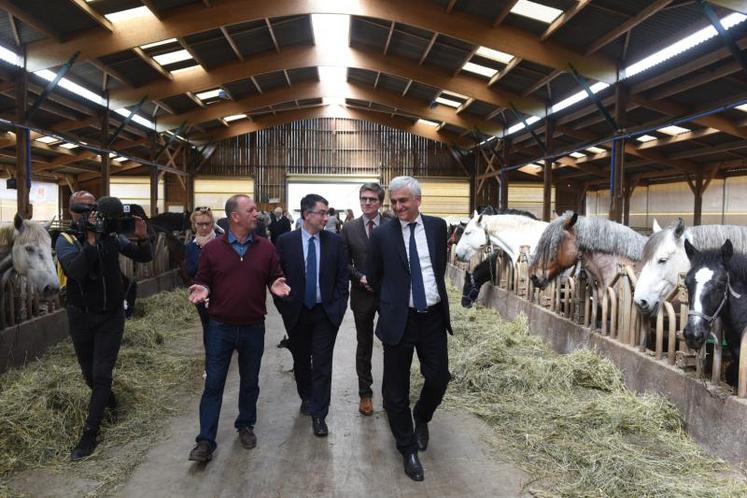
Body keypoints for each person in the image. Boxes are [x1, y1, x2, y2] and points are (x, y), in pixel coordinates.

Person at [187, 195, 290, 463]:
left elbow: (274, 275)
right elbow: (204, 279)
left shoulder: (266, 248)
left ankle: (245, 424)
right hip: (220, 327)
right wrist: (203, 288)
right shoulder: (213, 249)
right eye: (251, 210)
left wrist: (276, 284)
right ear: (235, 217)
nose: (257, 214)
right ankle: (206, 441)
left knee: (250, 381)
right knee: (214, 383)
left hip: (253, 327)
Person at [367, 176, 452, 482]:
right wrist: (392, 299)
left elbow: (436, 268)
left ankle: (422, 416)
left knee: (439, 377)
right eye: (394, 201)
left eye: (404, 201)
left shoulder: (437, 227)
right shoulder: (381, 235)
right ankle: (407, 448)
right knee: (395, 389)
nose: (398, 206)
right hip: (399, 319)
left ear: (418, 200)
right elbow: (374, 276)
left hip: (431, 318)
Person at [56, 191, 152, 460]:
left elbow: (144, 256)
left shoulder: (112, 236)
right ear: (73, 212)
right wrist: (90, 241)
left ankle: (90, 433)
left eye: (93, 208)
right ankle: (108, 401)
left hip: (111, 315)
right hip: (81, 316)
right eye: (84, 209)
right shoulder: (65, 240)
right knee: (89, 375)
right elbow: (76, 270)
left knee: (101, 374)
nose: (90, 213)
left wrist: (143, 235)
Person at [274, 194, 349, 437]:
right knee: (301, 361)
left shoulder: (335, 242)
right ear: (307, 215)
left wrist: (337, 309)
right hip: (297, 312)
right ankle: (306, 396)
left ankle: (319, 414)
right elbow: (277, 278)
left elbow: (342, 279)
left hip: (325, 312)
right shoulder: (286, 242)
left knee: (323, 364)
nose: (326, 218)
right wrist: (285, 307)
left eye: (327, 213)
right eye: (322, 213)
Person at [340, 183, 385, 416]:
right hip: (362, 294)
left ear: (380, 202)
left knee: (393, 343)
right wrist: (359, 277)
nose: (367, 203)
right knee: (364, 345)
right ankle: (365, 393)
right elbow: (343, 262)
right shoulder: (349, 228)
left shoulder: (392, 225)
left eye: (372, 199)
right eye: (363, 198)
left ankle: (391, 392)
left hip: (387, 295)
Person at [183, 207, 217, 349]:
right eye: (199, 224)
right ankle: (210, 363)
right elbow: (190, 270)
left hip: (221, 291)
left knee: (222, 326)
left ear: (212, 224)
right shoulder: (191, 247)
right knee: (207, 325)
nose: (204, 227)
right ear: (194, 225)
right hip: (201, 292)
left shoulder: (222, 243)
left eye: (207, 223)